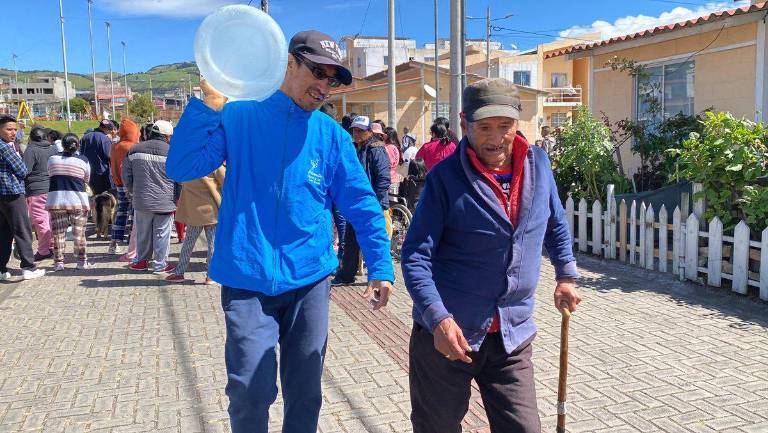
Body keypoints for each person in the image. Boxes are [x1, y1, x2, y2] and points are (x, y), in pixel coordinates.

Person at [166, 30, 394, 433]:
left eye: (333, 79)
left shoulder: (331, 136)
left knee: (305, 391)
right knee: (249, 389)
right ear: (289, 63)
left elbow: (362, 204)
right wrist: (207, 105)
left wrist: (379, 265)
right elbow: (181, 167)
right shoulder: (239, 116)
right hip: (247, 277)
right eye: (317, 72)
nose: (324, 85)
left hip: (310, 279)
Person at [401, 78, 581, 433]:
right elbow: (415, 257)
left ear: (518, 122)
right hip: (448, 336)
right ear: (464, 123)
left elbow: (556, 222)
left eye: (505, 126)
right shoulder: (444, 178)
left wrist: (566, 275)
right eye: (484, 127)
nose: (495, 138)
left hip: (511, 337)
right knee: (436, 428)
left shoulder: (539, 165)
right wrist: (437, 319)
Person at [331, 115, 391, 285]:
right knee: (350, 240)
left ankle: (380, 277)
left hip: (372, 205)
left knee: (374, 242)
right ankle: (346, 275)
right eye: (354, 130)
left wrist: (376, 204)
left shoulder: (376, 149)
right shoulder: (359, 148)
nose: (356, 134)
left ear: (369, 131)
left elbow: (383, 179)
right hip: (357, 204)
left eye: (360, 131)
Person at [123, 120, 180, 273]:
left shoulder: (134, 150)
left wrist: (133, 190)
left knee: (143, 233)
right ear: (167, 136)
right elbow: (179, 179)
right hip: (165, 201)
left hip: (141, 200)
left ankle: (141, 262)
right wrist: (177, 197)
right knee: (162, 234)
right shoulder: (173, 152)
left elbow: (126, 175)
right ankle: (160, 265)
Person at [0, 115, 45, 280]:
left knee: (4, 233)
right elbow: (23, 170)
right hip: (13, 193)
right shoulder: (5, 147)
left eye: (14, 129)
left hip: (2, 195)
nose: (13, 133)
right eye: (9, 129)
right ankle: (28, 267)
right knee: (22, 230)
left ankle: (2, 269)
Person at [165, 164, 225, 284]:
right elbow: (226, 182)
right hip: (212, 210)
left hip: (194, 210)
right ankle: (211, 276)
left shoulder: (189, 165)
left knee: (188, 243)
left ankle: (179, 273)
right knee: (212, 245)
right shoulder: (214, 164)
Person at [46, 133, 93, 271]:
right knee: (79, 234)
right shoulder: (83, 160)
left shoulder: (52, 159)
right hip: (78, 201)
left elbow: (50, 173)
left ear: (63, 145)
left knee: (58, 234)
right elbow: (86, 178)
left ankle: (58, 263)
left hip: (56, 201)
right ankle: (81, 262)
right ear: (78, 145)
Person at [22, 126, 58, 261]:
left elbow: (25, 171)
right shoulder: (53, 148)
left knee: (41, 221)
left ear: (31, 138)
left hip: (36, 190)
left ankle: (43, 251)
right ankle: (53, 246)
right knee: (51, 220)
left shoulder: (31, 150)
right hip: (53, 189)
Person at [108, 119, 140, 255]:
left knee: (121, 212)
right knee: (133, 214)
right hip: (132, 184)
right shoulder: (132, 147)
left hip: (119, 183)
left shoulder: (114, 146)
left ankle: (113, 243)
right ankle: (132, 245)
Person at [80, 119, 116, 195]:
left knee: (92, 196)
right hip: (102, 173)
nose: (110, 132)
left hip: (88, 172)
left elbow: (81, 153)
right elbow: (109, 156)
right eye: (109, 130)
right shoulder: (104, 139)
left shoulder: (85, 137)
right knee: (104, 197)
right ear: (105, 128)